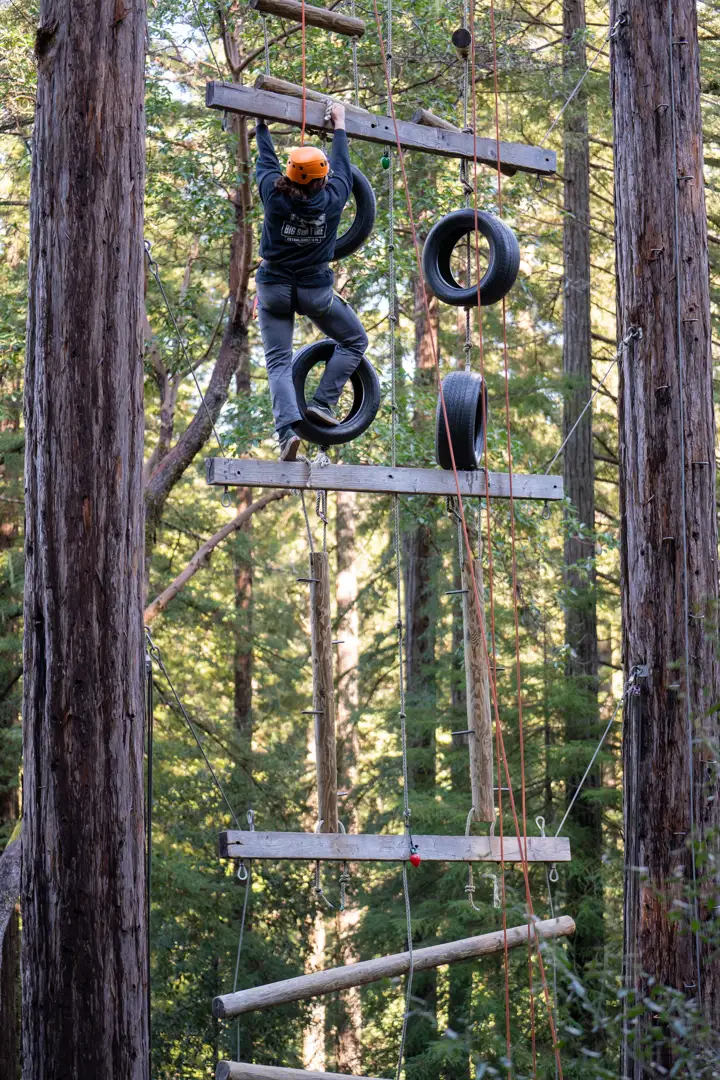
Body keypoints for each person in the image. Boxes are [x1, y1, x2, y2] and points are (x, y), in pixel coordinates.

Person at [254, 104, 369, 461]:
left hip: (273, 287)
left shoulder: (273, 195)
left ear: (288, 173)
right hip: (314, 290)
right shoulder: (334, 198)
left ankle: (287, 434)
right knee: (355, 341)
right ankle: (322, 402)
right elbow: (343, 166)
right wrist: (339, 124)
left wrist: (261, 123)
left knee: (278, 363)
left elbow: (265, 161)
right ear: (323, 178)